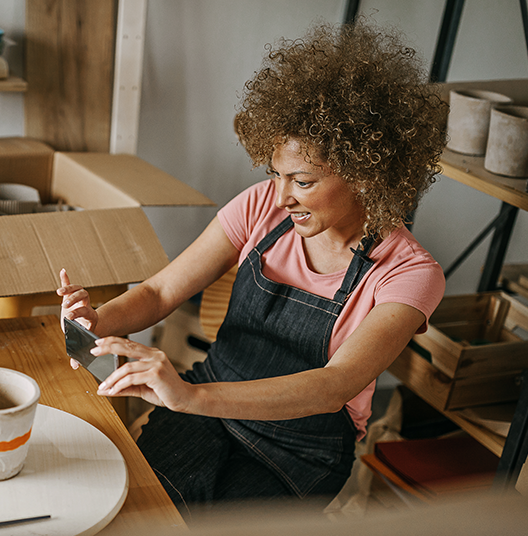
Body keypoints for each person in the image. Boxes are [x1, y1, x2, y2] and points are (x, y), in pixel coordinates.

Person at [56, 20, 448, 515]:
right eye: (276, 175)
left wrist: (189, 397)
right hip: (206, 407)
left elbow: (334, 386)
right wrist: (97, 321)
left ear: (365, 172)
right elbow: (158, 294)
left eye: (302, 181)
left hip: (301, 449)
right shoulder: (262, 206)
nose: (282, 197)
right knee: (135, 512)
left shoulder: (408, 272)